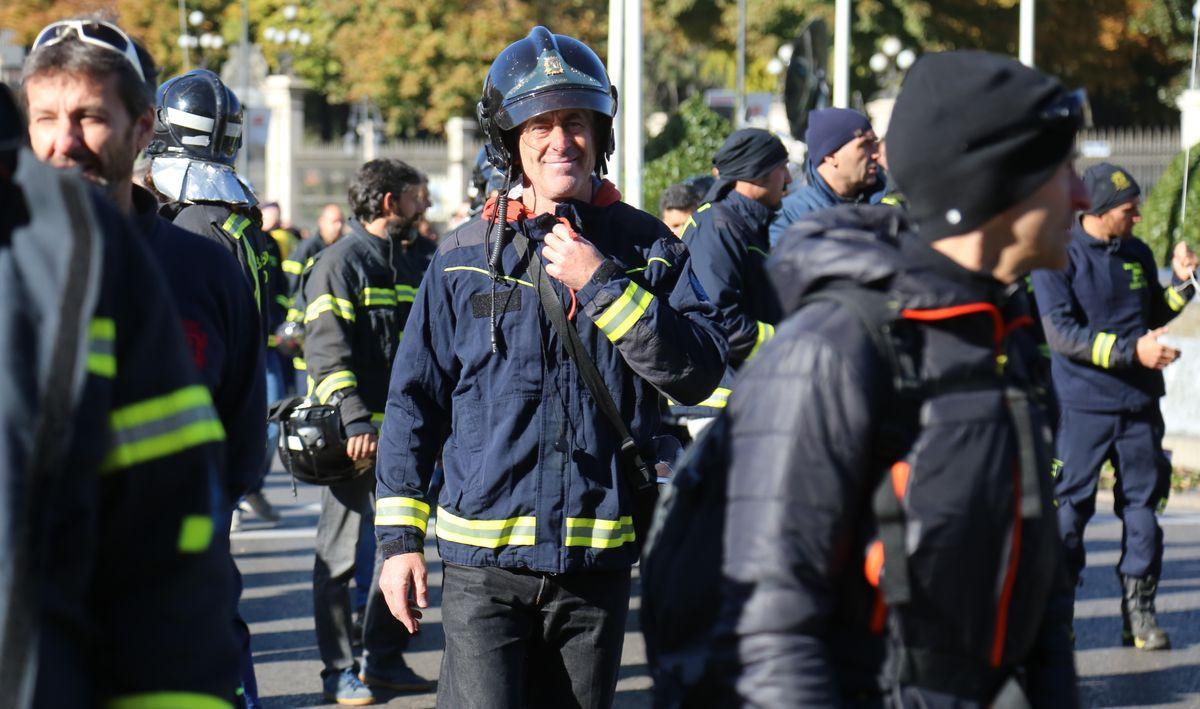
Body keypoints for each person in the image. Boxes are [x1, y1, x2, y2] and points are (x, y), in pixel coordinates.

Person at [706, 51, 1089, 706]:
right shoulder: (839, 343)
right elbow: (769, 627)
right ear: (996, 181)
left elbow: (1042, 593)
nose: (1082, 194)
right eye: (1061, 168)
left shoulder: (1006, 329)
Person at [374, 25, 727, 709]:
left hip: (593, 568)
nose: (559, 139)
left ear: (599, 133)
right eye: (539, 124)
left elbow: (700, 371)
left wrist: (603, 286)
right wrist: (398, 542)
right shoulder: (461, 256)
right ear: (511, 142)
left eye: (574, 121)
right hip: (484, 569)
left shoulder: (647, 248)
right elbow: (415, 402)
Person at [20, 20, 270, 706]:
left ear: (142, 128)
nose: (63, 141)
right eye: (46, 116)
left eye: (91, 115)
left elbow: (241, 448)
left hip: (175, 637)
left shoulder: (204, 271)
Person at [1032, 162, 1198, 651]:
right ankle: (1058, 618)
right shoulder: (1057, 257)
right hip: (1082, 409)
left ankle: (1139, 615)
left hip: (1140, 406)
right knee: (1069, 516)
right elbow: (1062, 335)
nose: (1139, 217)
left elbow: (1154, 310)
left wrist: (1185, 284)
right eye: (1130, 210)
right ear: (1099, 212)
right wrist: (1133, 352)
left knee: (1144, 511)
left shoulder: (1138, 253)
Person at [302, 158, 434, 704]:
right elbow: (325, 353)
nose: (421, 207)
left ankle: (381, 659)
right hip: (352, 441)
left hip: (399, 443)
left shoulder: (404, 264)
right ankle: (338, 670)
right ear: (389, 203)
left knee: (396, 554)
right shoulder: (339, 263)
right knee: (337, 558)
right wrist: (355, 418)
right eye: (414, 198)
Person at [669, 128, 789, 436]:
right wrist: (787, 341)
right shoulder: (718, 227)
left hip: (744, 400)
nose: (788, 179)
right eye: (781, 168)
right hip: (723, 410)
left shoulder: (740, 224)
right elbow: (721, 321)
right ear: (758, 173)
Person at [768, 107, 880, 246]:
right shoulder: (789, 217)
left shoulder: (883, 209)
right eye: (864, 145)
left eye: (874, 144)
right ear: (831, 156)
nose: (876, 154)